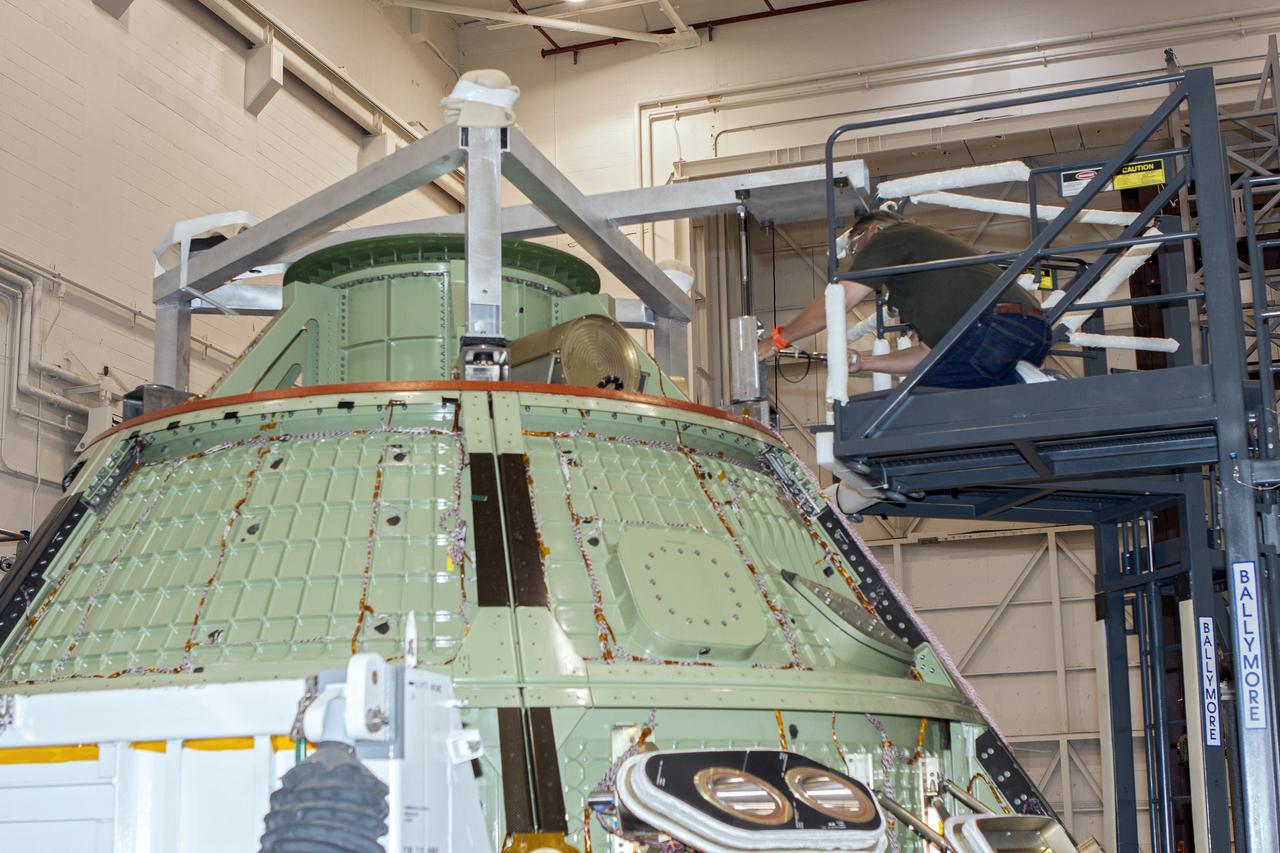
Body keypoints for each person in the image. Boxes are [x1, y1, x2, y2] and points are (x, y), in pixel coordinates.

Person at [757, 210, 1052, 388]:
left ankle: (1024, 383)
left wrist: (778, 339)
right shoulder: (920, 276)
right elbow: (926, 352)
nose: (858, 257)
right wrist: (866, 363)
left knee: (917, 401)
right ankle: (1024, 382)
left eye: (856, 248)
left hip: (993, 329)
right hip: (1024, 331)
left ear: (872, 230)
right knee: (948, 388)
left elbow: (838, 303)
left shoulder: (892, 237)